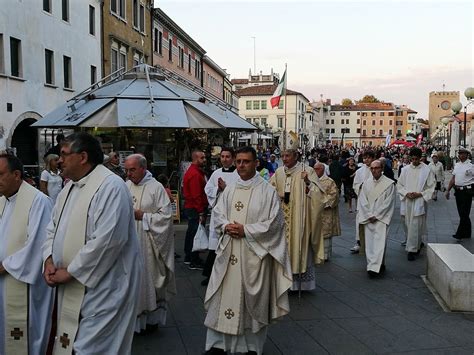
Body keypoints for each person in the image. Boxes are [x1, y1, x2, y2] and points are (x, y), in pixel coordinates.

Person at [42, 132, 142, 354]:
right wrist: (48, 258)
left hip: (104, 287)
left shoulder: (111, 186)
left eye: (64, 154)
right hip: (70, 282)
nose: (59, 160)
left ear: (83, 156)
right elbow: (52, 228)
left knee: (92, 348)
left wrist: (70, 272)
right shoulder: (67, 188)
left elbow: (108, 241)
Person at [204, 146, 292, 355]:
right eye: (239, 162)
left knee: (250, 303)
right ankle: (218, 345)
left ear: (255, 163)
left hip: (254, 257)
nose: (241, 165)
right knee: (223, 298)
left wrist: (246, 230)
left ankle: (250, 347)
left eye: (246, 161)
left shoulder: (267, 191)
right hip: (228, 254)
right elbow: (217, 214)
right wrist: (226, 226)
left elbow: (275, 225)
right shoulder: (230, 189)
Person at [0, 154, 53, 355]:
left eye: (0, 174)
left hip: (24, 283)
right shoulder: (3, 201)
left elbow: (39, 245)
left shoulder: (39, 201)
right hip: (4, 283)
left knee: (23, 336)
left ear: (16, 174)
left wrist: (5, 266)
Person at [125, 154, 176, 333]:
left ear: (143, 168)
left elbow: (166, 217)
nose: (128, 174)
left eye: (132, 170)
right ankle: (133, 320)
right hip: (129, 242)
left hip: (150, 244)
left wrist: (143, 216)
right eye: (127, 170)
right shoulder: (126, 186)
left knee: (149, 279)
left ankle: (151, 321)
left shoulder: (156, 188)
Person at [270, 148, 322, 291]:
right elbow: (269, 189)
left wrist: (307, 183)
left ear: (295, 156)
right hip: (282, 217)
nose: (284, 158)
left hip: (299, 218)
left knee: (298, 246)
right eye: (282, 156)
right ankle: (283, 283)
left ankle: (300, 284)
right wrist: (276, 195)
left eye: (287, 155)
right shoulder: (279, 172)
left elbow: (318, 195)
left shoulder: (307, 171)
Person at [202, 148, 238, 286]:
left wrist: (226, 188)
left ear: (233, 158)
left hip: (232, 213)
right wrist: (217, 189)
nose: (224, 159)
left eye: (228, 156)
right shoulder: (216, 173)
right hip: (219, 214)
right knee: (215, 246)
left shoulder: (238, 174)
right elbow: (208, 189)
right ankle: (210, 275)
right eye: (222, 156)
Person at [357, 160, 395, 278]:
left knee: (380, 242)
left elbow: (388, 203)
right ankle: (372, 265)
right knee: (370, 243)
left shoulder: (389, 184)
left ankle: (375, 267)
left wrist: (376, 215)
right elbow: (362, 200)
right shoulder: (366, 183)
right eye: (372, 168)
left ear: (382, 168)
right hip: (369, 218)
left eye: (376, 168)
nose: (374, 170)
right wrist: (369, 214)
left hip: (381, 218)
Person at [397, 147, 435, 260]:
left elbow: (431, 186)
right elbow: (399, 185)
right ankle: (417, 242)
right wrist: (406, 193)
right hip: (407, 200)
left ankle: (412, 249)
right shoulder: (405, 170)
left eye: (416, 159)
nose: (414, 161)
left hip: (419, 200)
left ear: (420, 158)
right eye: (412, 158)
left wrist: (420, 194)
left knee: (416, 224)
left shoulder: (427, 170)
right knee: (406, 223)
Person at [182, 149, 208, 270]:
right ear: (195, 159)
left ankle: (189, 257)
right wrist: (201, 211)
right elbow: (196, 194)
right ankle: (193, 259)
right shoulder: (195, 174)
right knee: (195, 233)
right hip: (195, 207)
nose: (204, 160)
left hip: (192, 206)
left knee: (192, 232)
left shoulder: (195, 172)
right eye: (202, 158)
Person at [311, 163, 341, 261]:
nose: (315, 171)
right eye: (314, 169)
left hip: (326, 211)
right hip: (314, 211)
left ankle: (325, 255)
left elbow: (334, 195)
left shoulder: (329, 181)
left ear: (322, 169)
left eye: (317, 169)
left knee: (326, 233)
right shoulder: (311, 181)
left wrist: (323, 203)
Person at [445, 147, 474, 240]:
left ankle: (459, 233)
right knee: (462, 213)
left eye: (463, 153)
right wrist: (448, 190)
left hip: (467, 191)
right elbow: (453, 179)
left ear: (467, 155)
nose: (460, 155)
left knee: (464, 213)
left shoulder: (471, 165)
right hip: (458, 191)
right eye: (459, 153)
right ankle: (467, 233)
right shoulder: (457, 165)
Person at [351, 150, 375, 253]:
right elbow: (355, 184)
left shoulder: (377, 169)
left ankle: (371, 243)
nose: (366, 160)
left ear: (373, 158)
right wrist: (360, 186)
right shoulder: (359, 171)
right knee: (359, 221)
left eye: (369, 158)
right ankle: (359, 242)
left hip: (373, 200)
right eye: (365, 158)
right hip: (362, 200)